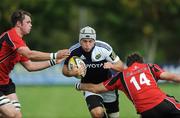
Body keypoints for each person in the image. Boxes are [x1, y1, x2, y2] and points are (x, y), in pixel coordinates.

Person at [0, 9, 70, 118]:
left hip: (5, 82)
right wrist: (55, 55)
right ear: (18, 24)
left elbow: (30, 66)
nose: (31, 25)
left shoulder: (20, 45)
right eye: (28, 22)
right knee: (12, 113)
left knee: (16, 115)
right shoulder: (11, 35)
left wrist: (54, 61)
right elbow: (30, 54)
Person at [75, 52, 180, 118]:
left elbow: (97, 89)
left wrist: (79, 86)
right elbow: (173, 77)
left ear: (128, 64)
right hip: (163, 103)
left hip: (146, 112)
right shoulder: (149, 67)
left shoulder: (121, 76)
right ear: (141, 62)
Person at [62, 26, 124, 118]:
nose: (87, 44)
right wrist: (73, 73)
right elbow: (64, 70)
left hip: (107, 86)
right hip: (89, 87)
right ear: (80, 41)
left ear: (94, 41)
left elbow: (121, 67)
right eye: (84, 41)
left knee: (114, 116)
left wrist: (112, 65)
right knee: (97, 113)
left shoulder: (104, 49)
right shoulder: (73, 51)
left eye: (90, 41)